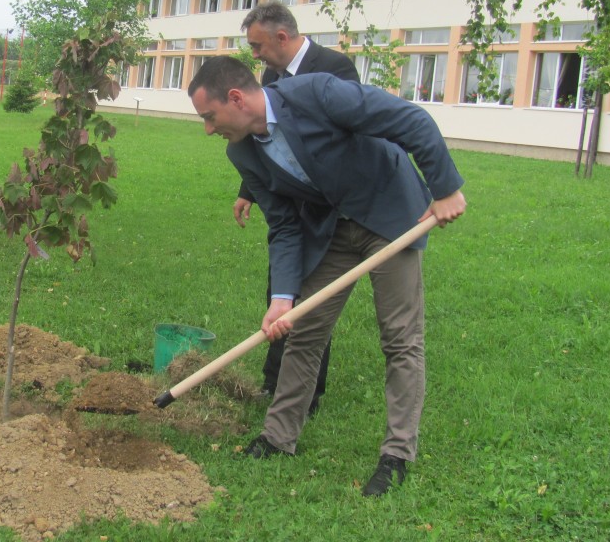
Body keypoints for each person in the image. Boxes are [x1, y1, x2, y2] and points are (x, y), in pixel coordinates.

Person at [188, 56, 465, 496]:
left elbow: (409, 119)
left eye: (209, 117)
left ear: (236, 98)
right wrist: (282, 297)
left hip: (389, 212)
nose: (207, 129)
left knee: (400, 337)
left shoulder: (316, 93)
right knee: (303, 331)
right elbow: (282, 225)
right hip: (332, 228)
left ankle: (397, 453)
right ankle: (279, 437)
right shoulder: (241, 151)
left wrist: (445, 187)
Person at [235, 1, 359, 407]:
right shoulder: (271, 75)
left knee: (314, 302)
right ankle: (273, 383)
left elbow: (342, 138)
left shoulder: (334, 68)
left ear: (281, 37)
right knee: (282, 288)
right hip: (291, 201)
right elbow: (264, 137)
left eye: (257, 46)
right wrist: (248, 190)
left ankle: (308, 392)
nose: (254, 55)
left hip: (333, 207)